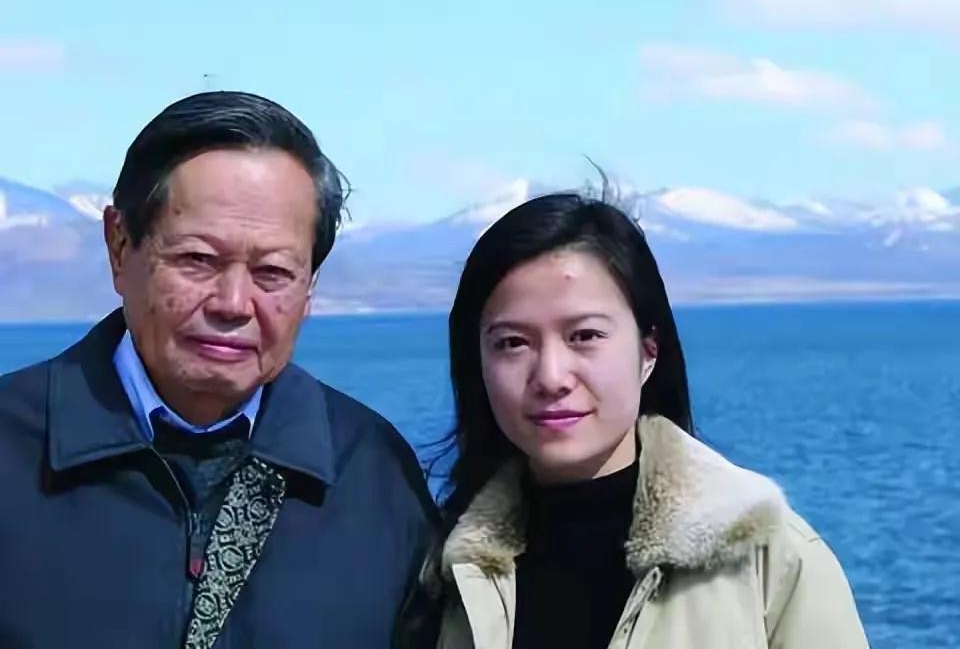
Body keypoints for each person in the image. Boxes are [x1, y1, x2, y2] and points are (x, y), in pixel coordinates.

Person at [0, 91, 436, 648]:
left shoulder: (373, 473)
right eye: (197, 260)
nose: (233, 303)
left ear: (310, 286)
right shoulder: (14, 448)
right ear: (120, 247)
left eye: (273, 272)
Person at [415, 189, 869, 648]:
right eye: (513, 343)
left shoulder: (767, 558)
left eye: (585, 335)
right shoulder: (446, 571)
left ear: (649, 350)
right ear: (477, 362)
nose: (551, 377)